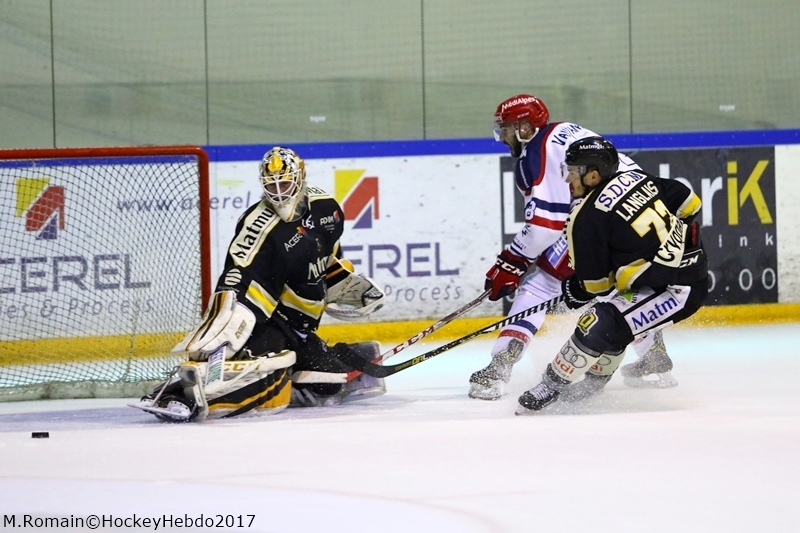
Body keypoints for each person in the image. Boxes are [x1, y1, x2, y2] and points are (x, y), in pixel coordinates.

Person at [132, 146, 387, 422]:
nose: (279, 192)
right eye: (271, 185)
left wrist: (348, 285)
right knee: (267, 377)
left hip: (301, 330)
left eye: (285, 183)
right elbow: (236, 276)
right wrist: (228, 317)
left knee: (329, 384)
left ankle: (298, 374)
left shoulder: (327, 210)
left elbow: (327, 260)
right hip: (270, 323)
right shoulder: (259, 226)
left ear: (300, 177)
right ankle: (175, 394)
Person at [469, 94, 673, 402]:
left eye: (507, 129)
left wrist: (511, 263)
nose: (503, 137)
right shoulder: (567, 130)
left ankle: (498, 367)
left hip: (608, 215)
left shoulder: (533, 156)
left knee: (540, 285)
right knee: (620, 285)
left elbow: (543, 226)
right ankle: (654, 355)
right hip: (646, 213)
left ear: (525, 129)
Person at [515, 136, 708, 414]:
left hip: (676, 291)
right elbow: (690, 204)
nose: (567, 180)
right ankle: (596, 381)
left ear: (593, 175)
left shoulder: (585, 218)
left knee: (598, 321)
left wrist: (574, 290)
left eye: (572, 172)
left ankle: (551, 385)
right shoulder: (637, 178)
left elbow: (597, 285)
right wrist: (667, 246)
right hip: (682, 275)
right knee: (614, 316)